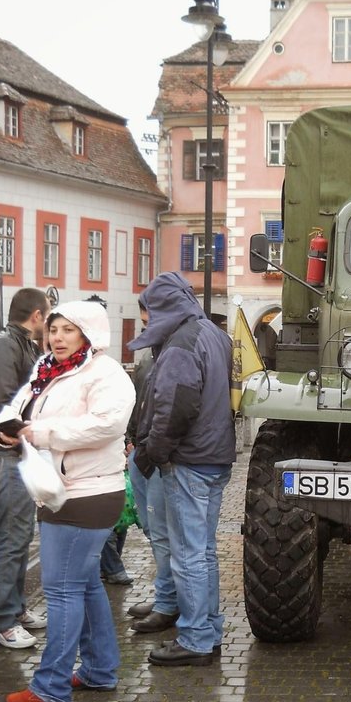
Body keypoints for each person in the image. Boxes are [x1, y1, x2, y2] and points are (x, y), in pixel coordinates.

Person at [0, 301, 136, 702]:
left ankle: (50, 687)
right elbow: (20, 410)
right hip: (61, 489)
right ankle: (99, 670)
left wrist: (39, 433)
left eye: (67, 330)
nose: (56, 337)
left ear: (87, 333)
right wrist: (12, 431)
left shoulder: (105, 373)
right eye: (53, 329)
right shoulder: (49, 370)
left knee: (60, 592)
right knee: (86, 586)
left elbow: (107, 425)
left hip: (85, 493)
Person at [129, 272, 235, 666]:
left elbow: (175, 406)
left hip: (189, 462)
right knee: (203, 552)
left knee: (189, 554)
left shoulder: (180, 344)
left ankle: (194, 639)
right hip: (214, 457)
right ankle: (208, 630)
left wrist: (153, 453)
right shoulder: (213, 333)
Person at [0, 288, 50, 649]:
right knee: (12, 537)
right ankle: (2, 621)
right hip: (4, 453)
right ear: (37, 315)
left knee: (19, 536)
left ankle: (14, 609)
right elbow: (5, 395)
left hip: (12, 451)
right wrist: (21, 433)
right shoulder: (6, 345)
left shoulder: (18, 343)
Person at [126, 302, 180, 633]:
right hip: (141, 452)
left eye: (150, 322)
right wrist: (132, 440)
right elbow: (139, 401)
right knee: (150, 529)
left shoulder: (176, 354)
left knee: (162, 532)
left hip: (160, 456)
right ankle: (164, 593)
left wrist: (156, 450)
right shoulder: (149, 356)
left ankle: (167, 604)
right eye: (144, 322)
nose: (147, 328)